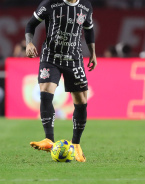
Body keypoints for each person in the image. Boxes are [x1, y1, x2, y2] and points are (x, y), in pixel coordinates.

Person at [25, 0, 97, 162]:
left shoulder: (86, 6)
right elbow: (31, 25)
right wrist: (28, 43)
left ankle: (76, 145)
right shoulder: (50, 4)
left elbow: (89, 29)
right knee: (45, 92)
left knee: (81, 101)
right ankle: (48, 139)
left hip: (74, 59)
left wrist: (93, 52)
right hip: (51, 57)